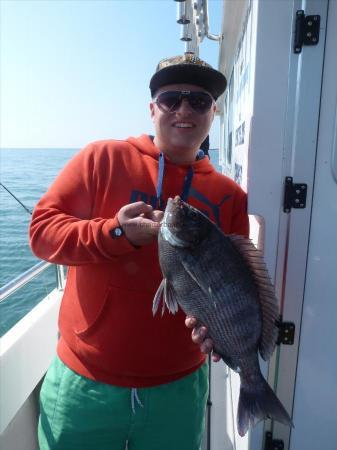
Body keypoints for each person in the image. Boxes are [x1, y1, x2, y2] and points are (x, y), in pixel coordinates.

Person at [30, 53, 249, 450]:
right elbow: (42, 234)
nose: (184, 110)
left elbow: (236, 283)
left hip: (179, 390)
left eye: (199, 101)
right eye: (171, 99)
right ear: (152, 109)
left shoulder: (229, 196)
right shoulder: (102, 159)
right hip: (85, 384)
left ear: (214, 112)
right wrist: (116, 233)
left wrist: (214, 332)